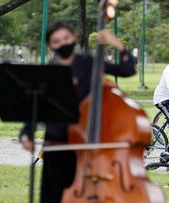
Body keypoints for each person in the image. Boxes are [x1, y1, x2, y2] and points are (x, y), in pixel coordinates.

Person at [19, 20, 135, 203]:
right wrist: (26, 133)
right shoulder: (50, 70)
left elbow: (127, 70)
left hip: (86, 144)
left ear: (74, 37)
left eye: (66, 38)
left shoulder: (88, 63)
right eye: (56, 41)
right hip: (56, 145)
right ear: (50, 45)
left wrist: (116, 43)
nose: (63, 43)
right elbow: (38, 107)